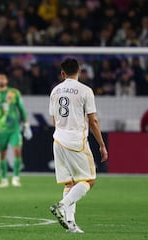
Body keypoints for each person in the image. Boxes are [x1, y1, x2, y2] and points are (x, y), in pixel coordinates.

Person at [48, 58, 108, 233]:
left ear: (62, 73)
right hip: (76, 141)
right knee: (89, 180)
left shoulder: (55, 91)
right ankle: (61, 205)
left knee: (70, 183)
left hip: (58, 139)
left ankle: (70, 223)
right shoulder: (85, 90)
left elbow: (54, 119)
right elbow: (93, 120)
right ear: (79, 71)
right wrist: (102, 145)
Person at [0, 72, 33, 188]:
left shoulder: (14, 93)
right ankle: (3, 179)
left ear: (6, 80)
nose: (1, 81)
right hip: (0, 130)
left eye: (2, 78)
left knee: (17, 151)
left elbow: (21, 109)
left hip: (14, 129)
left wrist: (26, 125)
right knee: (2, 154)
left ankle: (16, 177)